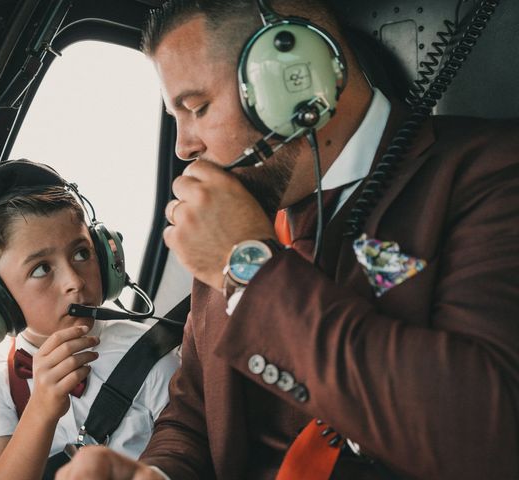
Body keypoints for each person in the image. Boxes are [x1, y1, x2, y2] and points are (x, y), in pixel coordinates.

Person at [56, 0, 519, 479]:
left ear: (296, 75)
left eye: (196, 108)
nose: (183, 146)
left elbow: (487, 434)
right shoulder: (232, 219)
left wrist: (249, 271)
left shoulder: (492, 175)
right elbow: (194, 412)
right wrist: (156, 474)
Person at [0, 160, 180, 480]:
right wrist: (41, 409)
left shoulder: (154, 355)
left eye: (82, 253)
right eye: (41, 269)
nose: (74, 280)